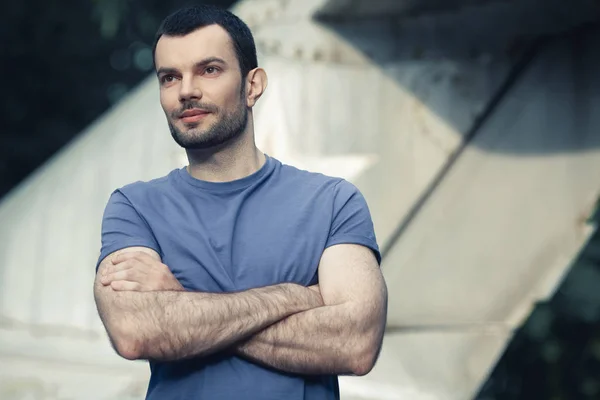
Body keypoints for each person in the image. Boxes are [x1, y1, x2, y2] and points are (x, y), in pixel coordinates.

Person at [93, 4, 388, 400]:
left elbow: (356, 344)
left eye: (209, 70)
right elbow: (134, 333)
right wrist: (297, 297)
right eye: (169, 77)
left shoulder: (332, 201)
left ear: (253, 86)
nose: (186, 90)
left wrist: (180, 303)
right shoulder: (134, 206)